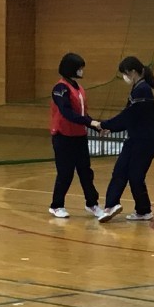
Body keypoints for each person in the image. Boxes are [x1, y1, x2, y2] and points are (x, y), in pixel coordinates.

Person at [96, 56, 154, 223]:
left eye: (125, 73)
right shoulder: (137, 88)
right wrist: (110, 128)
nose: (124, 77)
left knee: (135, 175)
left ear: (132, 72)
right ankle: (111, 205)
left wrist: (104, 124)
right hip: (135, 138)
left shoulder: (143, 90)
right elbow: (129, 117)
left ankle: (144, 210)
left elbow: (128, 116)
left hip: (146, 140)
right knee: (120, 170)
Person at [49, 52, 103, 218]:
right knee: (65, 173)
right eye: (79, 68)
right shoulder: (60, 89)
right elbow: (67, 113)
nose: (81, 71)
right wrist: (89, 123)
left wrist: (97, 126)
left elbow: (82, 114)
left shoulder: (79, 89)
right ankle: (56, 205)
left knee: (85, 172)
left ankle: (92, 203)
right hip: (63, 137)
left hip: (79, 137)